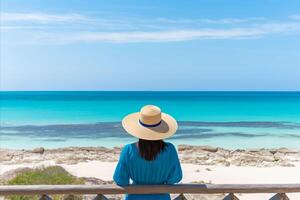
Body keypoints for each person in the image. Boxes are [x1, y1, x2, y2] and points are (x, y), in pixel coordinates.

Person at [113, 105, 182, 200]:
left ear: (139, 129)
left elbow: (121, 180)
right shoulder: (170, 149)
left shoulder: (128, 149)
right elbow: (175, 178)